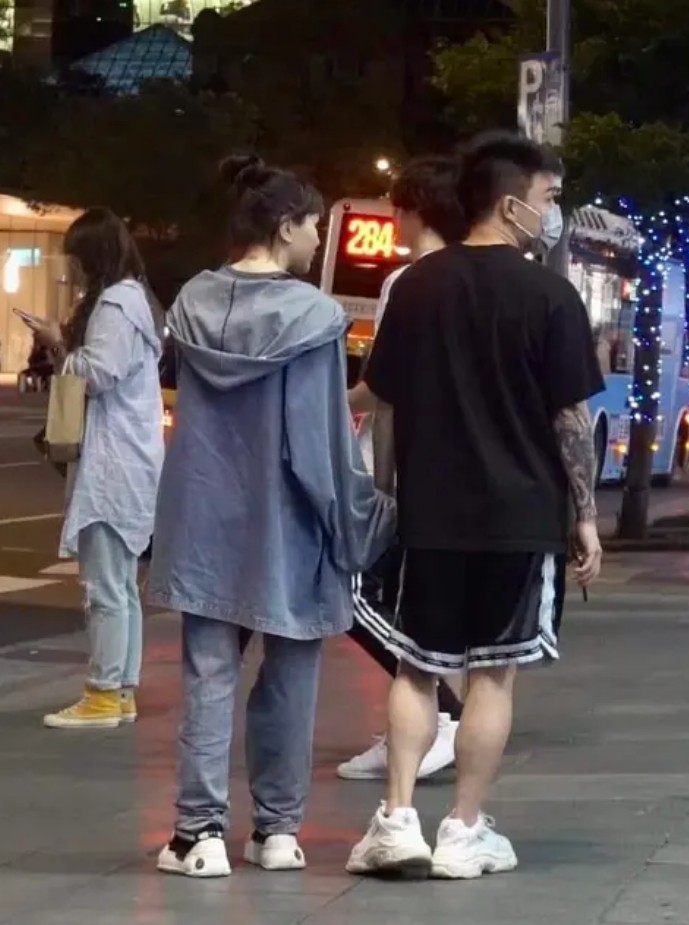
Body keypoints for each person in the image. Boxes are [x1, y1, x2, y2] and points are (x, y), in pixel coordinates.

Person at [346, 131, 604, 879]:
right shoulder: (549, 295)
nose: (552, 213)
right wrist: (584, 516)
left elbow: (382, 396)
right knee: (492, 677)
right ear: (511, 202)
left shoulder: (416, 287)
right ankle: (463, 830)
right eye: (548, 197)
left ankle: (396, 821)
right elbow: (569, 419)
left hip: (430, 515)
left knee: (415, 669)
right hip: (520, 518)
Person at [148, 155, 396, 879]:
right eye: (314, 224)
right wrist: (354, 518)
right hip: (289, 521)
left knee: (208, 675)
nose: (318, 239)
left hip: (203, 517)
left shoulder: (191, 302)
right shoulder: (314, 317)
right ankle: (278, 832)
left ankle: (197, 835)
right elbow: (320, 442)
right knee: (290, 677)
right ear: (285, 226)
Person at [339, 155, 467, 782]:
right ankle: (420, 725)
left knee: (354, 595)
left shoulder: (408, 281)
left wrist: (332, 405)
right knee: (419, 604)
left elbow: (384, 387)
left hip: (402, 465)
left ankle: (439, 717)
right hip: (460, 469)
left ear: (411, 210)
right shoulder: (480, 277)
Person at [31, 208, 164, 729]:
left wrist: (58, 344)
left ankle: (104, 693)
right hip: (132, 458)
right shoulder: (138, 301)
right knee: (122, 586)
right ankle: (121, 690)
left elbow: (98, 374)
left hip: (112, 464)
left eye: (76, 258)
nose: (72, 268)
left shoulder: (114, 304)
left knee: (105, 587)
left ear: (93, 256)